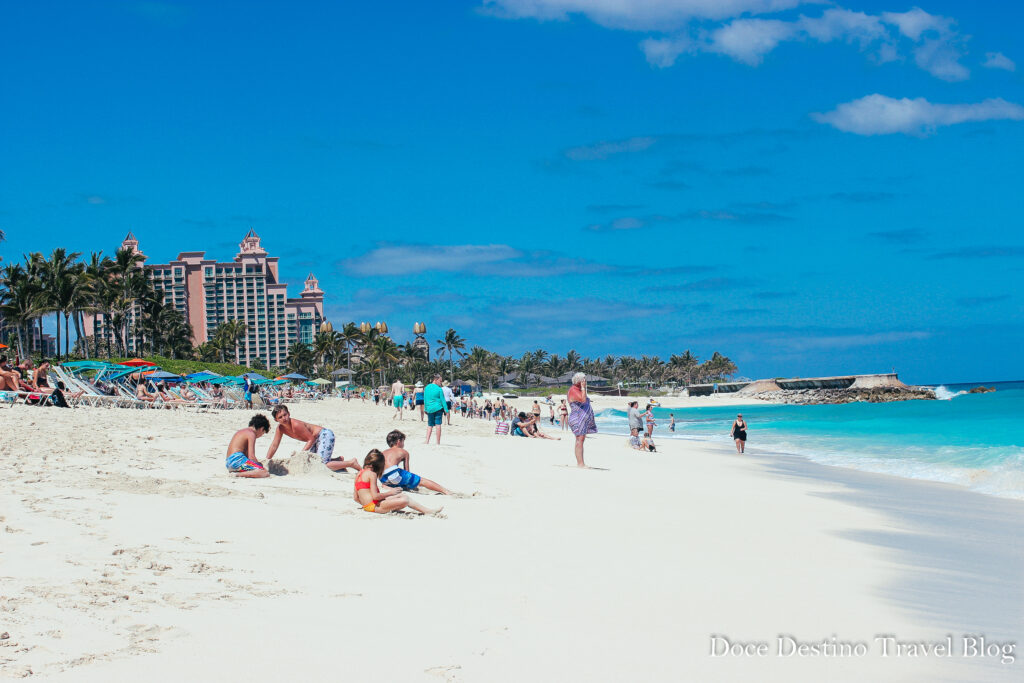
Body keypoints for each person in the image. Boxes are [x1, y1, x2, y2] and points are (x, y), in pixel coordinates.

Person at [266, 404, 360, 471]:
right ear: (276, 420)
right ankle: (338, 461)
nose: (284, 418)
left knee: (322, 464)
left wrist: (300, 454)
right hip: (315, 439)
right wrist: (267, 459)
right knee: (311, 462)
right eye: (280, 417)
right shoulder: (280, 428)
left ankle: (351, 463)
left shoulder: (296, 424)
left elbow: (311, 439)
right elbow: (274, 444)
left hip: (324, 435)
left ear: (289, 413)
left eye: (285, 415)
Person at [354, 449, 443, 515]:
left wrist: (365, 504)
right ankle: (428, 512)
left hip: (368, 506)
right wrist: (390, 493)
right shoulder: (372, 474)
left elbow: (356, 498)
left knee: (401, 495)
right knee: (405, 499)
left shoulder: (359, 474)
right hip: (373, 506)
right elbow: (375, 496)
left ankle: (426, 510)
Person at [380, 430, 452, 495]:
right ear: (399, 441)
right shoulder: (403, 452)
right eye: (403, 441)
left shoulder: (383, 452)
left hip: (382, 477)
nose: (403, 444)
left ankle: (387, 486)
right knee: (421, 480)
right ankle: (446, 491)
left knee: (396, 478)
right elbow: (407, 471)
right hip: (394, 475)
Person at [567, 372, 596, 467]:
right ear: (580, 381)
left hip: (582, 418)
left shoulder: (579, 389)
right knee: (579, 440)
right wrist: (583, 388)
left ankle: (581, 463)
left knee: (581, 439)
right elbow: (583, 400)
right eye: (584, 380)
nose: (585, 382)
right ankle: (580, 463)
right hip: (577, 418)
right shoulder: (573, 390)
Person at [423, 373, 449, 444]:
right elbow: (443, 400)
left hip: (430, 409)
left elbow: (425, 399)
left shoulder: (427, 388)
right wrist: (446, 410)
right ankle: (438, 442)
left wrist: (425, 409)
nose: (441, 383)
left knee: (430, 425)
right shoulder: (439, 389)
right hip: (438, 408)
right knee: (438, 425)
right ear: (435, 380)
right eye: (440, 381)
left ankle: (427, 441)